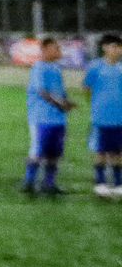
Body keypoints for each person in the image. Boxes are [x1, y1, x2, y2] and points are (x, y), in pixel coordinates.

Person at [24, 37, 75, 195]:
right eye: (56, 48)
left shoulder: (56, 69)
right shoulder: (39, 68)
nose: (59, 51)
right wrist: (61, 104)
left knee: (55, 153)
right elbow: (43, 92)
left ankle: (49, 184)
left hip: (58, 119)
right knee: (38, 151)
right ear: (45, 50)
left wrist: (67, 102)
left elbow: (60, 92)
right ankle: (29, 183)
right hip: (41, 117)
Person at [83, 34, 122, 197]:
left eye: (119, 47)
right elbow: (87, 88)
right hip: (101, 118)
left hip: (119, 118)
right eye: (114, 46)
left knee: (118, 152)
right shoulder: (95, 67)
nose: (117, 50)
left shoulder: (121, 68)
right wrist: (97, 106)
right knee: (101, 151)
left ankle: (118, 183)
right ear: (105, 48)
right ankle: (100, 183)